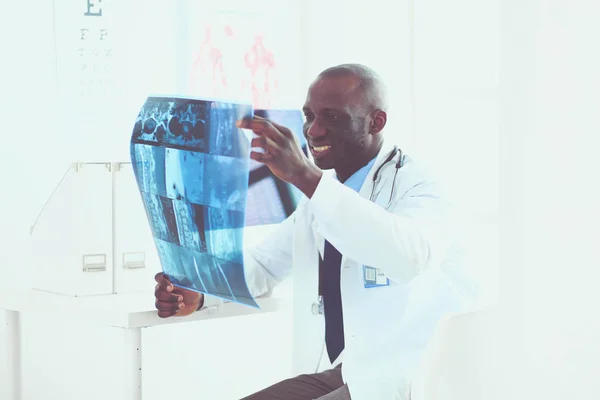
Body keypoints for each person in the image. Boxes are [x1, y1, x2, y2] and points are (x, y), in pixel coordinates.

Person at [154, 64, 477, 399]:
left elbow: (409, 257)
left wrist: (307, 177)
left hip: (420, 371)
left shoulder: (420, 185)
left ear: (376, 122)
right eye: (308, 115)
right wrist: (199, 290)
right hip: (355, 367)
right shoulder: (323, 197)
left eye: (332, 117)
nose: (313, 130)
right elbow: (264, 265)